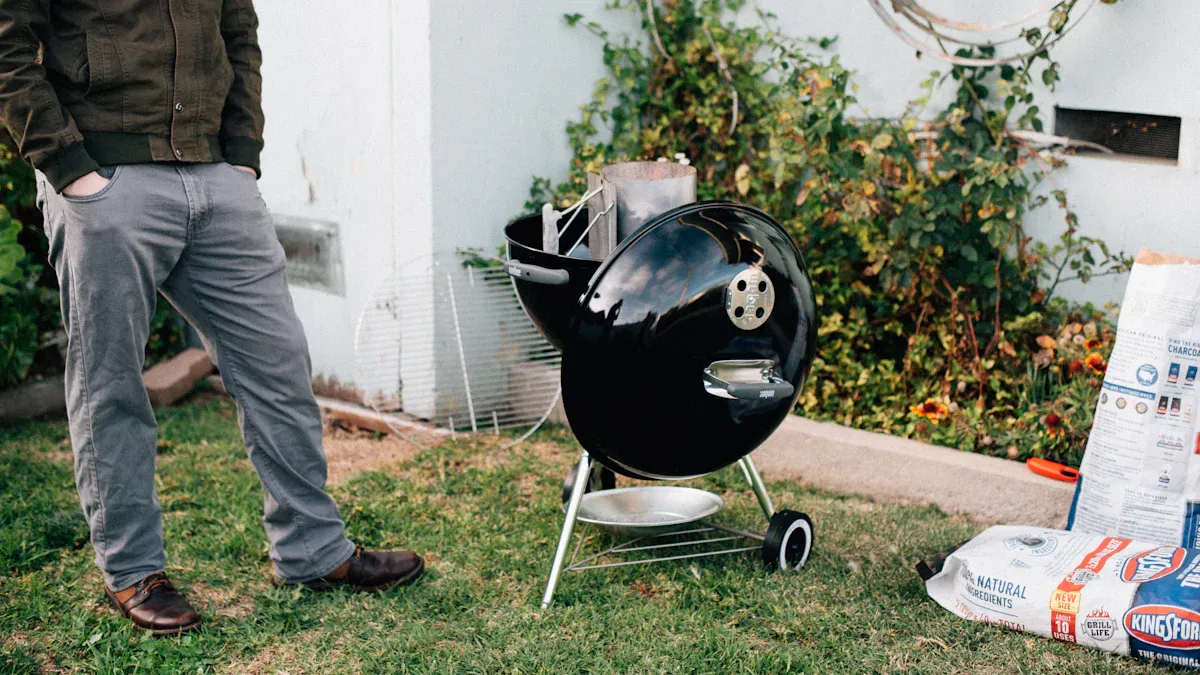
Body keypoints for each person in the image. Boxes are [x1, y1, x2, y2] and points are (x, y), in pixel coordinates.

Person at [0, 0, 423, 636]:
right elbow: (8, 41)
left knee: (277, 363)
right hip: (106, 179)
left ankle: (312, 552)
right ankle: (134, 570)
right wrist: (69, 169)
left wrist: (243, 154)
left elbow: (239, 35)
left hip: (216, 179)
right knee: (109, 385)